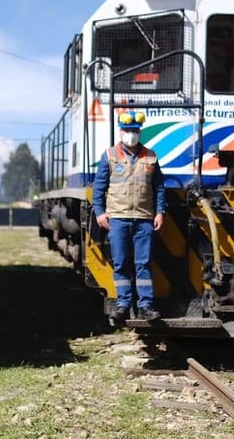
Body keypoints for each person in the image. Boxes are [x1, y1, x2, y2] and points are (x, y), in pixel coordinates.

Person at [92, 110, 168, 324]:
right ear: (120, 131)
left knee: (143, 264)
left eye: (134, 130)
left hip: (144, 219)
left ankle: (145, 306)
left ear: (139, 132)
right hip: (118, 218)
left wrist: (160, 212)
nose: (131, 134)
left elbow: (159, 187)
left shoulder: (151, 156)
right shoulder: (109, 155)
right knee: (121, 263)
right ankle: (123, 305)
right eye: (127, 130)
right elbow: (99, 187)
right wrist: (99, 212)